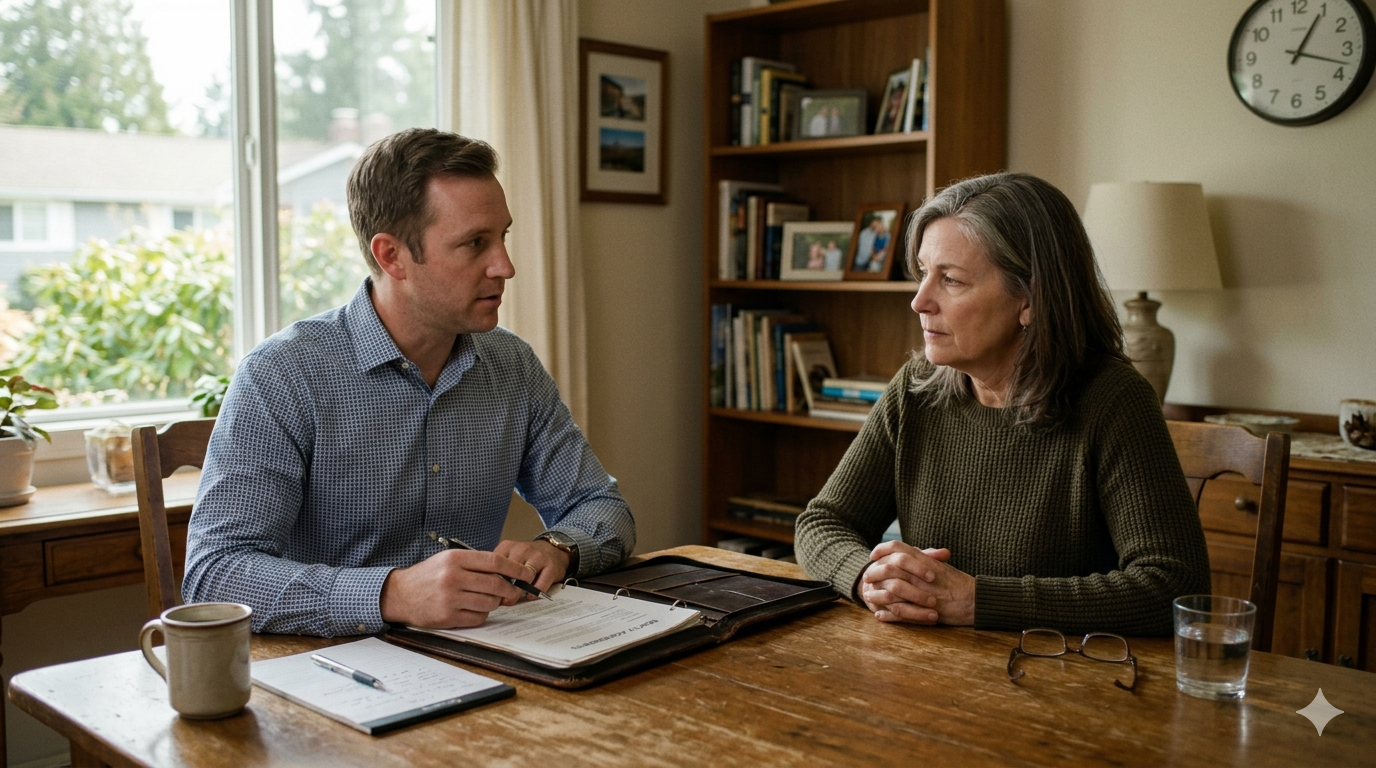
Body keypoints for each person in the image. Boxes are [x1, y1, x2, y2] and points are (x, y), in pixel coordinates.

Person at [184, 129, 635, 637]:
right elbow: (214, 575)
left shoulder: (512, 365)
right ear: (391, 256)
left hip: (483, 657)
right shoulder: (283, 375)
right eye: (474, 244)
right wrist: (392, 594)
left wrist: (557, 548)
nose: (505, 266)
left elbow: (604, 508)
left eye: (502, 236)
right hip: (328, 671)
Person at [795, 172, 1210, 636]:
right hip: (928, 671)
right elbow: (822, 523)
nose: (919, 301)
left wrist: (976, 601)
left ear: (1029, 300)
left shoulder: (1113, 401)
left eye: (950, 279)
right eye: (923, 274)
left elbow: (1172, 586)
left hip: (1062, 678)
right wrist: (866, 579)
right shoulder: (915, 388)